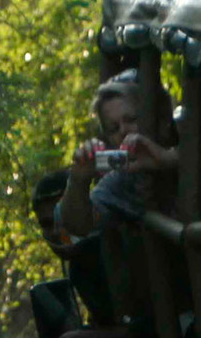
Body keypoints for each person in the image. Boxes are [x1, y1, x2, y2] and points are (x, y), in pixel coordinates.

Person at [58, 69, 177, 239]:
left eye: (132, 120)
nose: (123, 131)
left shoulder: (193, 138)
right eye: (113, 128)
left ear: (162, 118)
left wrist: (169, 158)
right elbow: (76, 226)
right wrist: (78, 181)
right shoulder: (126, 179)